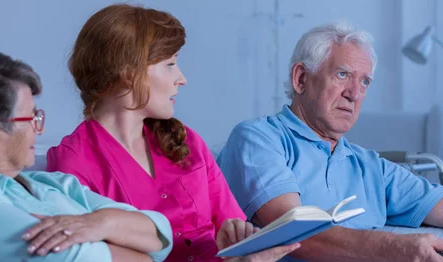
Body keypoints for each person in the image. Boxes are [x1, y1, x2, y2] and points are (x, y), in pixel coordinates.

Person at [217, 21, 443, 262]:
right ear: (301, 78)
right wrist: (394, 247)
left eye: (365, 82)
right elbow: (292, 236)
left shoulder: (369, 166)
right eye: (343, 75)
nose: (355, 93)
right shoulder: (259, 139)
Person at [46, 4, 299, 262]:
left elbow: (232, 228)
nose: (182, 78)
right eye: (170, 64)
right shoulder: (73, 165)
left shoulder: (188, 141)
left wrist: (241, 243)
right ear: (128, 72)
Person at [0, 50, 174, 262]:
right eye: (30, 118)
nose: (39, 129)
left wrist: (102, 223)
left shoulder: (51, 183)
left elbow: (161, 237)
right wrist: (123, 240)